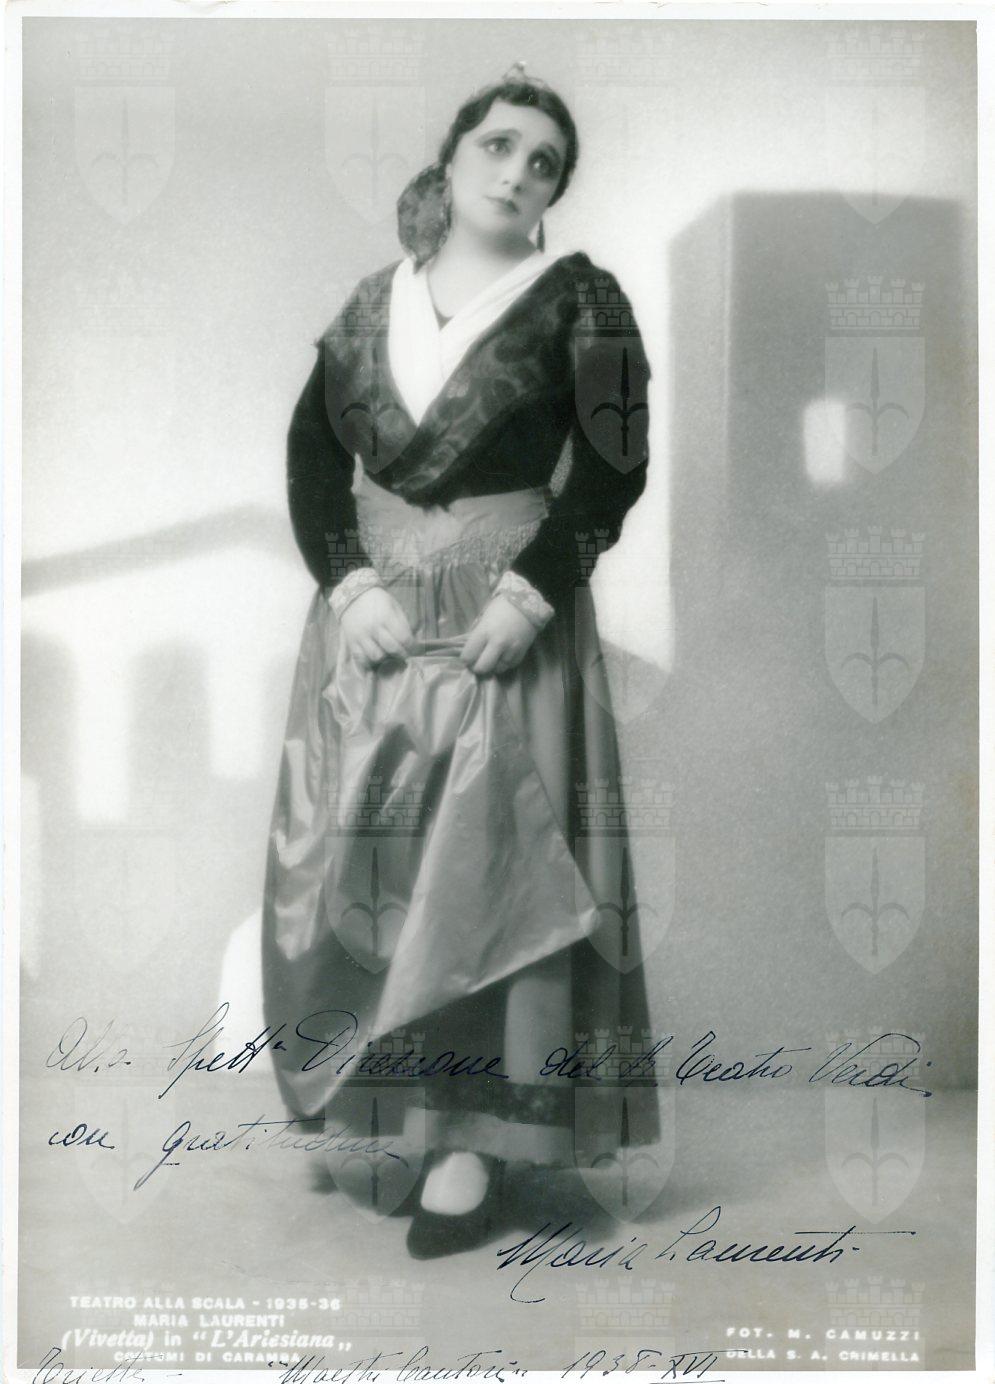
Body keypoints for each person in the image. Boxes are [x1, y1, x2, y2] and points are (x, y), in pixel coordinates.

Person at [261, 63, 659, 1260]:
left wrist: (533, 596)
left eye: (544, 161)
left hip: (505, 624)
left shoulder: (583, 302)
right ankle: (393, 1110)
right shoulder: (368, 306)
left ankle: (473, 1144)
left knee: (490, 875)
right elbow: (310, 458)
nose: (518, 170)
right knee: (369, 866)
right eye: (498, 144)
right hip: (375, 631)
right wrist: (348, 585)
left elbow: (613, 468)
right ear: (449, 159)